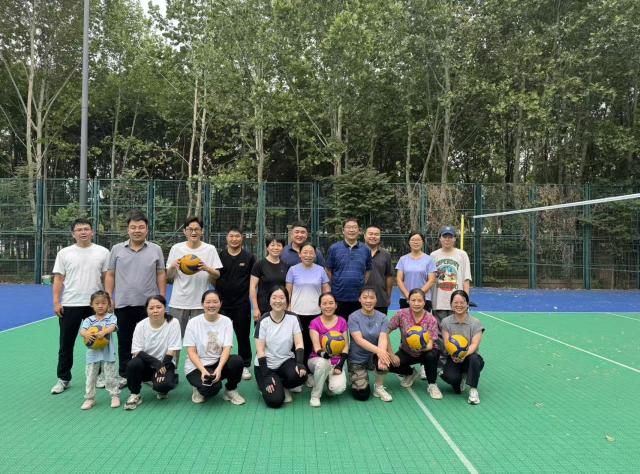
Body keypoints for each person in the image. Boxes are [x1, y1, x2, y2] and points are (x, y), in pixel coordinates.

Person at [105, 211, 166, 383]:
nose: (137, 230)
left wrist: (162, 298)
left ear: (147, 230)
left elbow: (161, 273)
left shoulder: (156, 249)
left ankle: (148, 374)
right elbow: (110, 274)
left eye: (141, 227)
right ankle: (125, 375)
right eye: (133, 227)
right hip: (123, 304)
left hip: (149, 306)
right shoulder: (117, 249)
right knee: (125, 341)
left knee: (149, 341)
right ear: (128, 230)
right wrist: (109, 297)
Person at [51, 218, 109, 394]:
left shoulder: (103, 252)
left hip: (96, 305)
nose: (83, 232)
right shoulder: (64, 253)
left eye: (86, 229)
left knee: (100, 341)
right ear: (73, 234)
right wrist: (56, 302)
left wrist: (108, 300)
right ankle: (63, 378)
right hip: (70, 304)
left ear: (92, 232)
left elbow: (107, 277)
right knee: (66, 344)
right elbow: (58, 278)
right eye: (79, 229)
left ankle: (99, 376)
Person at [183, 290, 246, 405]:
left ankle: (230, 390)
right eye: (208, 302)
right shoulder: (193, 323)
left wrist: (219, 368)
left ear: (220, 303)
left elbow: (227, 348)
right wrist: (203, 370)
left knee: (237, 361)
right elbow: (191, 352)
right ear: (202, 304)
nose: (211, 305)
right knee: (211, 389)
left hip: (216, 363)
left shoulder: (226, 321)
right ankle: (197, 388)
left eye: (215, 302)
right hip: (196, 366)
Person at [166, 216, 223, 336]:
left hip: (201, 303)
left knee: (199, 339)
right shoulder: (176, 248)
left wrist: (207, 268)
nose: (193, 232)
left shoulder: (210, 249)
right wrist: (172, 266)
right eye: (190, 229)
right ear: (184, 231)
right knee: (175, 339)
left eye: (196, 229)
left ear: (202, 231)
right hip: (178, 302)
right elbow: (169, 277)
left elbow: (217, 275)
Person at [124, 295, 181, 410]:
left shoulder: (173, 322)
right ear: (146, 310)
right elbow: (136, 351)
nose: (155, 311)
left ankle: (161, 385)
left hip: (165, 363)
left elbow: (173, 349)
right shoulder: (140, 325)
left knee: (163, 386)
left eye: (159, 307)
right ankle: (135, 394)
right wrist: (156, 363)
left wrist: (162, 366)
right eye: (151, 308)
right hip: (145, 364)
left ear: (165, 308)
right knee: (133, 364)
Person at [213, 228, 256, 381]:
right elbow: (214, 277)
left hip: (241, 304)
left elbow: (253, 280)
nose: (234, 239)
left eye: (237, 236)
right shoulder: (220, 256)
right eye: (231, 236)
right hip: (223, 305)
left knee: (243, 336)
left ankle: (245, 365)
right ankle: (217, 363)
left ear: (242, 238)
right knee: (219, 337)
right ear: (227, 238)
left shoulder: (249, 257)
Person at [254, 286, 307, 408]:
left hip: (285, 361)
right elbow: (260, 350)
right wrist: (266, 375)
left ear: (287, 301)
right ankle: (266, 383)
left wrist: (300, 363)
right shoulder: (263, 321)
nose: (278, 301)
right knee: (275, 401)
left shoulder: (293, 318)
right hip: (266, 365)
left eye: (282, 298)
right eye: (274, 297)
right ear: (269, 301)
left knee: (301, 375)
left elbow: (299, 343)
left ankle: (281, 384)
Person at [386, 288, 442, 399]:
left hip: (426, 351)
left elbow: (430, 344)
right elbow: (385, 332)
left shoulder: (431, 319)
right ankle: (410, 373)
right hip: (407, 351)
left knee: (432, 355)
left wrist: (419, 348)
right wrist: (391, 354)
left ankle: (432, 384)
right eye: (413, 300)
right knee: (388, 364)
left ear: (424, 302)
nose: (416, 303)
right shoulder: (401, 314)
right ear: (408, 301)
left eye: (420, 300)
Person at [285, 242, 330, 367]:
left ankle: (310, 369)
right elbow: (288, 291)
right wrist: (288, 309)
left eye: (311, 253)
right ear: (299, 254)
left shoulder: (320, 270)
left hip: (316, 313)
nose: (308, 255)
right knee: (297, 343)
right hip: (296, 313)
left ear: (315, 255)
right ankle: (298, 368)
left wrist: (327, 306)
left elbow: (326, 289)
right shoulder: (293, 270)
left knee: (312, 343)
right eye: (305, 252)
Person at [347, 287, 392, 402]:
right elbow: (359, 340)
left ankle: (379, 387)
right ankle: (354, 376)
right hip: (357, 359)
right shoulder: (353, 317)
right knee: (362, 395)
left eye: (372, 297)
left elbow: (383, 337)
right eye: (365, 297)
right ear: (359, 299)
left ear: (376, 300)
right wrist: (380, 351)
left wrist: (382, 355)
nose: (368, 301)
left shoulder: (383, 317)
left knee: (384, 359)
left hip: (373, 356)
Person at [440, 290, 485, 405]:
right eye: (455, 302)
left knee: (474, 359)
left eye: (462, 302)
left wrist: (463, 355)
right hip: (453, 357)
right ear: (451, 304)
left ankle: (473, 390)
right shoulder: (446, 322)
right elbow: (446, 342)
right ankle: (461, 378)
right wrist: (454, 355)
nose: (459, 305)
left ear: (467, 304)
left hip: (470, 357)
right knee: (451, 380)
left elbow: (474, 344)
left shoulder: (476, 323)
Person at [78, 291, 119, 409]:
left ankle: (114, 395)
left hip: (107, 352)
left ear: (108, 305)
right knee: (90, 376)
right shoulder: (89, 320)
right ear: (92, 305)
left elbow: (112, 327)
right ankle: (90, 398)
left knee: (110, 375)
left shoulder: (111, 317)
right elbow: (81, 331)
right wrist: (86, 334)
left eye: (103, 303)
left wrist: (104, 332)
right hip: (93, 354)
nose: (100, 306)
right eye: (97, 303)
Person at [325, 218, 372, 320]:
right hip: (338, 297)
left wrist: (361, 283)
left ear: (359, 231)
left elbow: (368, 270)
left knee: (357, 327)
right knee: (339, 327)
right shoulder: (334, 248)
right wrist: (337, 283)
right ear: (343, 231)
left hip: (358, 297)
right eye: (349, 227)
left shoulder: (366, 249)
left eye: (354, 227)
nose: (351, 230)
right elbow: (328, 270)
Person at [307, 292, 348, 407]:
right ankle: (315, 395)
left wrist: (340, 365)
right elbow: (316, 347)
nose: (328, 306)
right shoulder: (315, 322)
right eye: (324, 303)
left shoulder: (342, 321)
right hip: (317, 360)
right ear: (320, 306)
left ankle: (325, 379)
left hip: (336, 363)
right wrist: (326, 356)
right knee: (323, 363)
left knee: (337, 389)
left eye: (331, 303)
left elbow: (346, 346)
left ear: (336, 305)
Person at [430, 226, 472, 322]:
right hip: (439, 303)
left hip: (458, 303)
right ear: (440, 238)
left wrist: (466, 300)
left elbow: (466, 279)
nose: (447, 239)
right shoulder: (433, 255)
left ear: (455, 239)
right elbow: (430, 279)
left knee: (457, 330)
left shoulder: (462, 255)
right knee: (440, 330)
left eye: (450, 237)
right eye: (444, 237)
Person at [250, 236, 288, 321]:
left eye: (279, 245)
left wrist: (287, 306)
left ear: (282, 248)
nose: (276, 248)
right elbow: (252, 287)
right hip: (263, 308)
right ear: (267, 247)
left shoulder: (286, 266)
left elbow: (288, 288)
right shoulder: (259, 265)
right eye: (272, 245)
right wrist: (255, 308)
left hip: (281, 307)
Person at [396, 232, 436, 311]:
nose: (416, 242)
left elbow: (431, 280)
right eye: (413, 240)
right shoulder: (403, 259)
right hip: (406, 298)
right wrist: (408, 295)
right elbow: (399, 279)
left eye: (418, 240)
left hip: (424, 298)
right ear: (409, 242)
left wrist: (418, 295)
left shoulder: (429, 260)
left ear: (423, 242)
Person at [363, 226, 394, 314]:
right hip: (360, 300)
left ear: (380, 237)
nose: (373, 236)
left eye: (376, 234)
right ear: (364, 236)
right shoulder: (357, 253)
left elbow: (389, 276)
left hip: (380, 299)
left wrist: (388, 296)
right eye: (370, 234)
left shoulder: (386, 254)